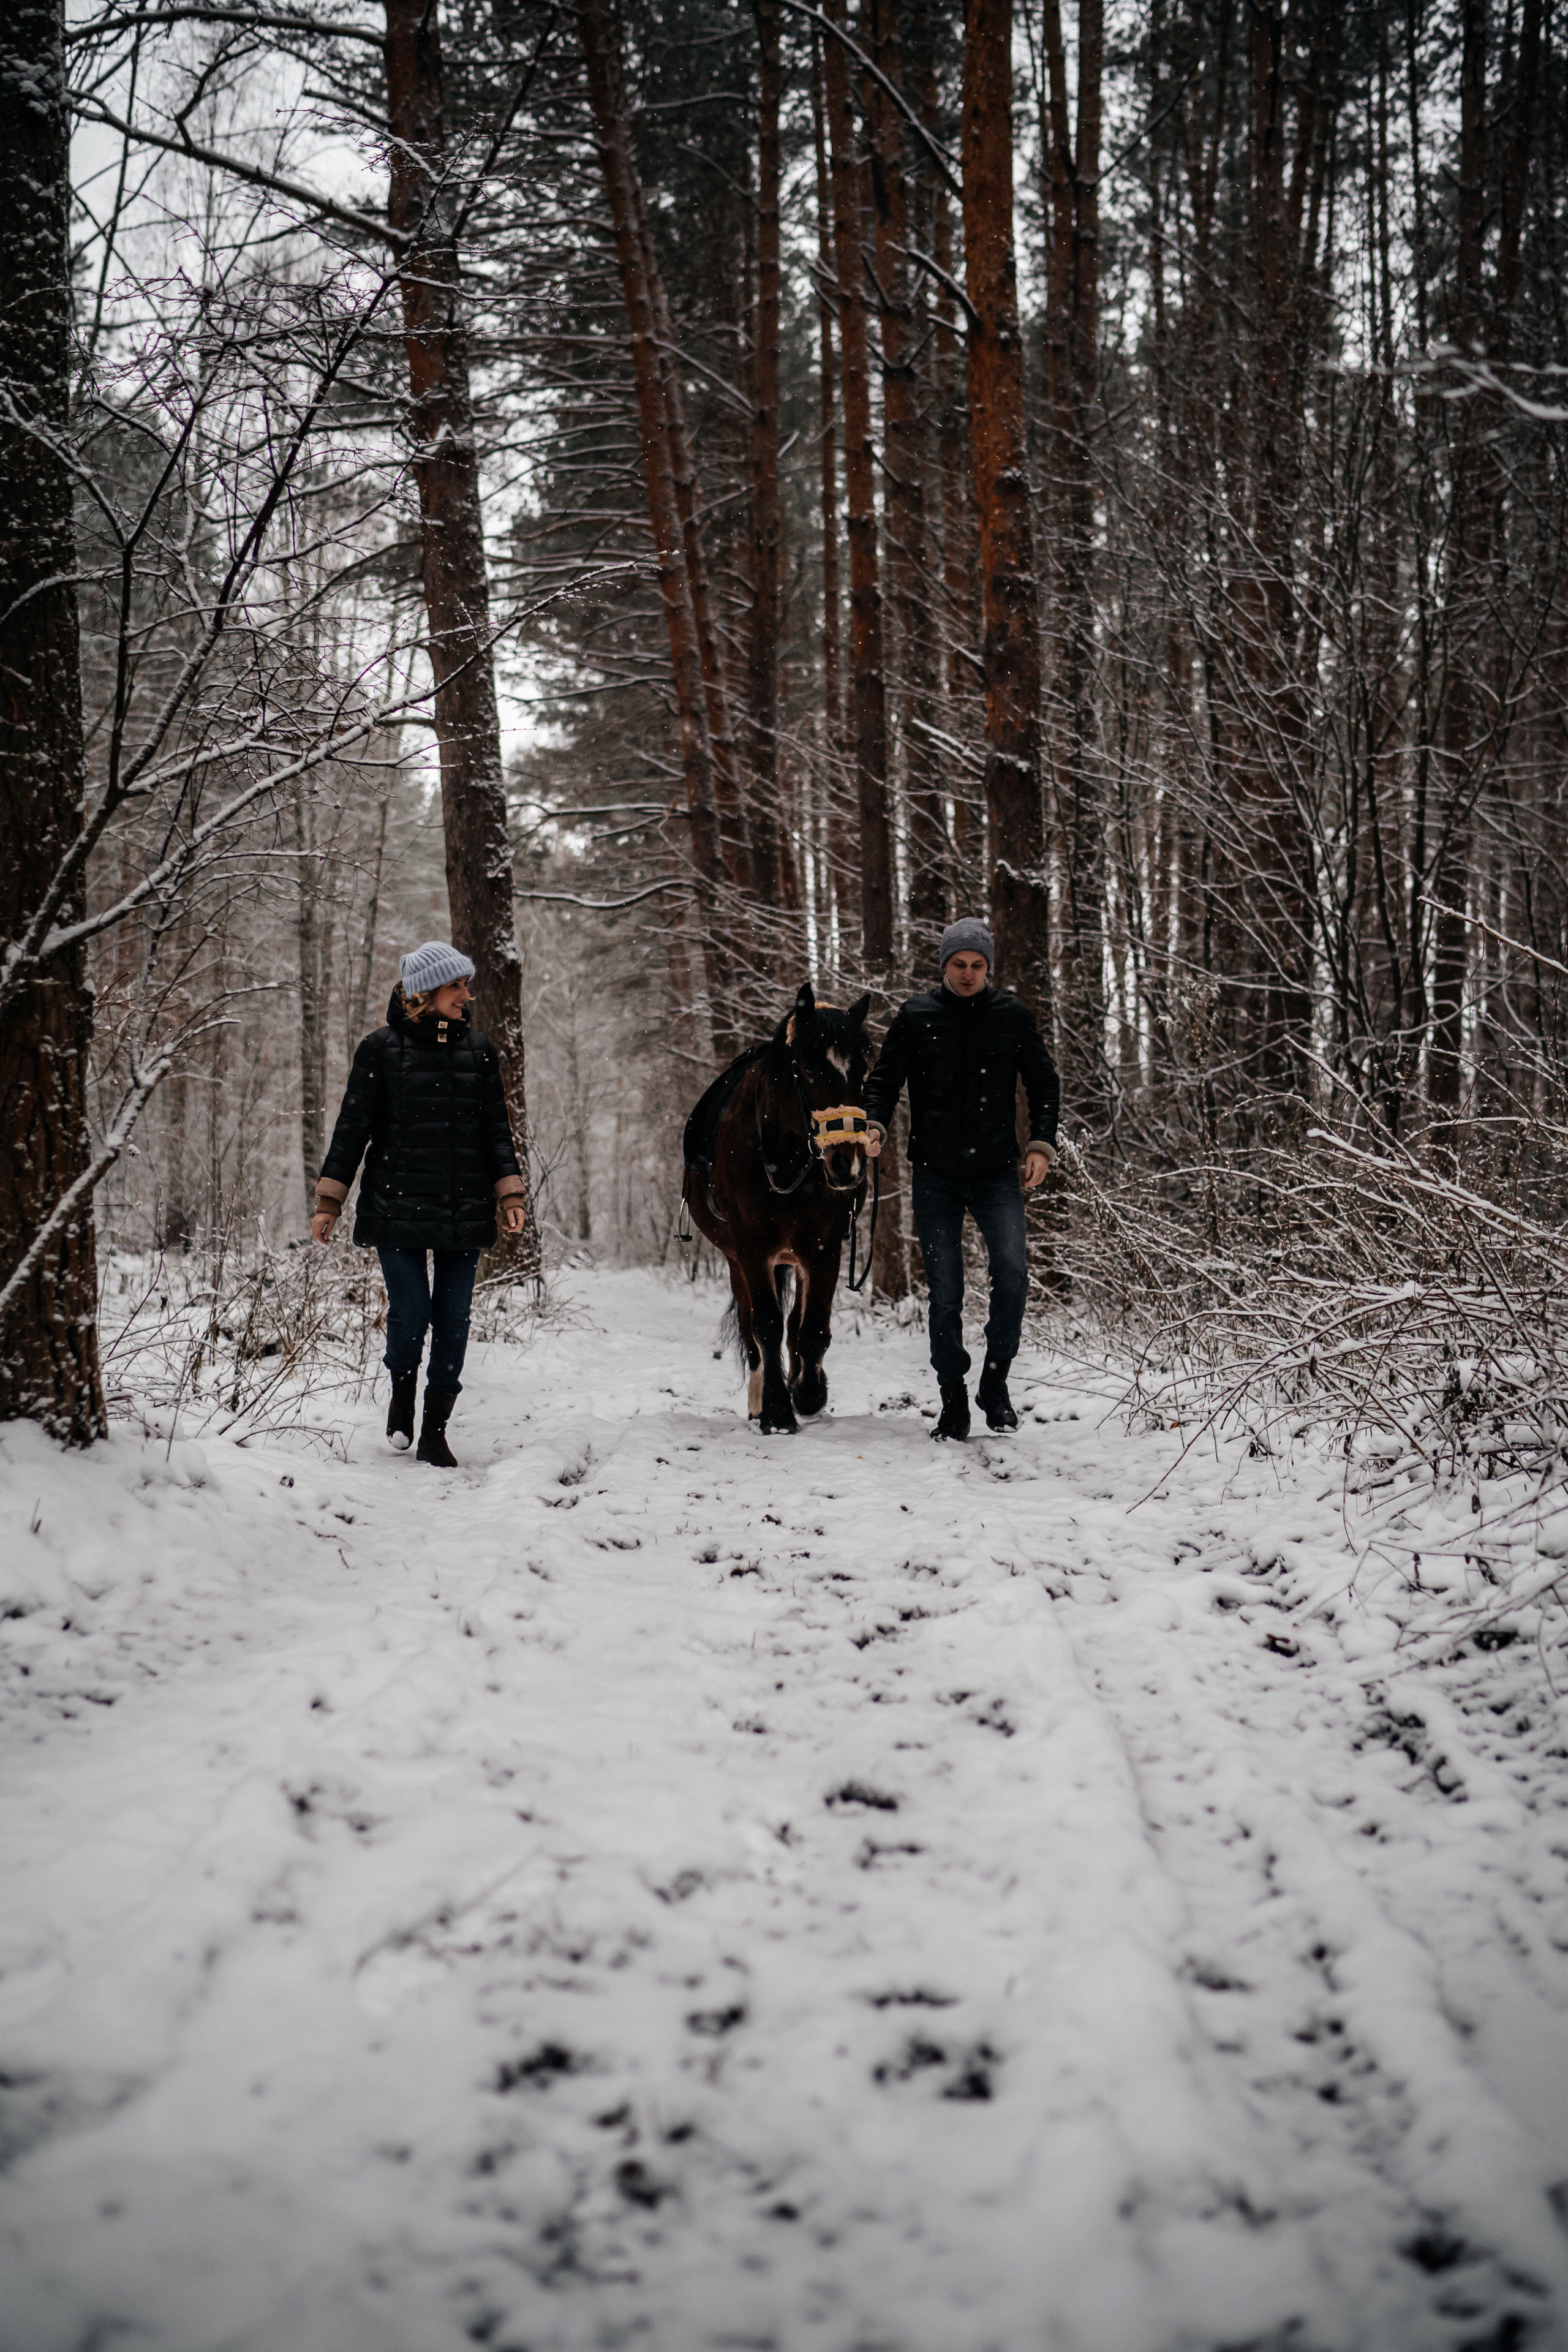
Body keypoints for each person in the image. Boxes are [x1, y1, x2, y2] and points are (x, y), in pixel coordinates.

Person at [311, 941, 527, 1467]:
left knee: (453, 1319)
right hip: (395, 1205)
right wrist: (329, 1201)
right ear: (425, 993)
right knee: (411, 1312)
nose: (466, 996)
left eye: (465, 986)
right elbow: (352, 1130)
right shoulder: (379, 1049)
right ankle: (402, 1390)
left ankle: (435, 1429)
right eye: (457, 986)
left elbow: (496, 1131)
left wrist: (510, 1192)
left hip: (464, 1205)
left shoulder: (478, 1051)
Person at [862, 918, 1059, 1440]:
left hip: (997, 1171)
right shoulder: (916, 1015)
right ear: (944, 965)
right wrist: (874, 1123)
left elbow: (1044, 1082)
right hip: (936, 1174)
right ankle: (953, 1399)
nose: (969, 974)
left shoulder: (1011, 1015)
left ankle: (995, 1384)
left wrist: (1041, 1143)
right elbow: (884, 1080)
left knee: (1013, 1275)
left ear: (988, 967)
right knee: (947, 1292)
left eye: (977, 966)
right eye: (959, 965)